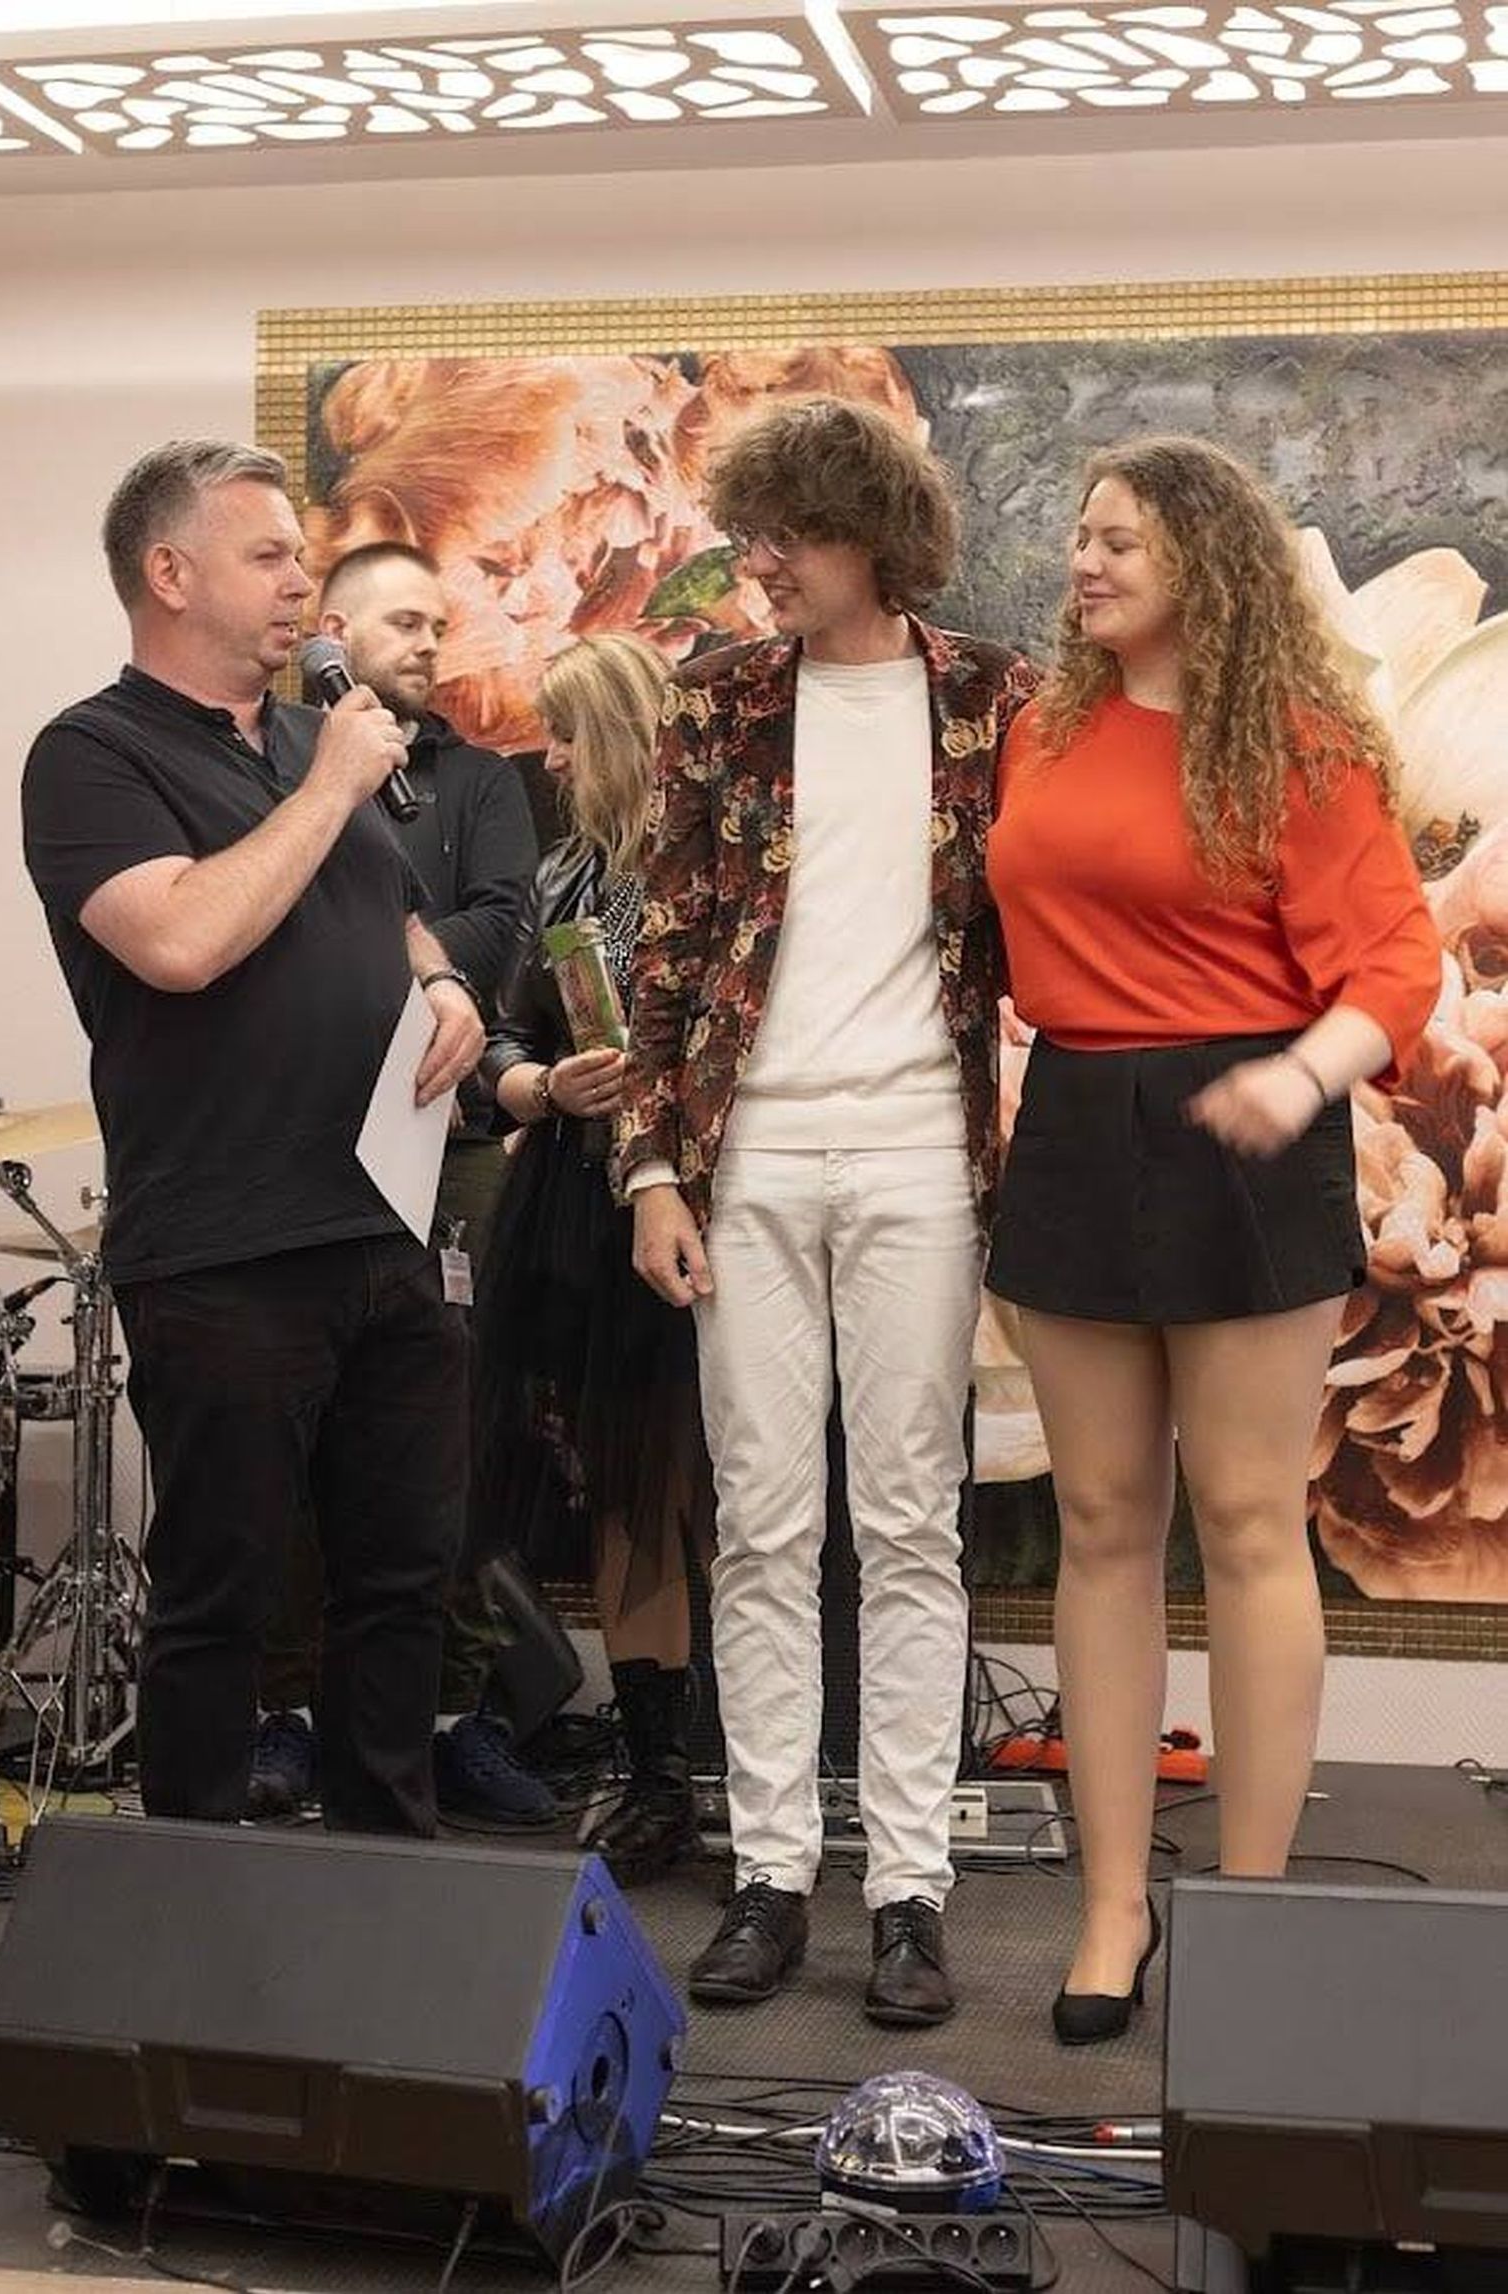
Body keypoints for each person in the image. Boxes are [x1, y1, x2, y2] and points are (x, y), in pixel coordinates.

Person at [984, 434, 1441, 2043]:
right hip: (1074, 1124)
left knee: (1245, 1520)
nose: (1085, 562)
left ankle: (1249, 1910)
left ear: (1205, 559)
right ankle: (1112, 1911)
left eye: (1117, 539)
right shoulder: (1042, 729)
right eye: (1080, 536)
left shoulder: (1298, 745)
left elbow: (1393, 968)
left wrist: (1299, 1076)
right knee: (1102, 1521)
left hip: (1248, 1126)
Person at [618, 397, 1037, 2024]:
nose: (761, 562)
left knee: (912, 1522)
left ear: (871, 532)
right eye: (751, 533)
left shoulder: (992, 696)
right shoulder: (717, 698)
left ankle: (910, 1888)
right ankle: (772, 1871)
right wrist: (651, 1167)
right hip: (751, 1157)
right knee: (764, 1523)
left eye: (786, 533)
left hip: (923, 1149)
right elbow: (665, 949)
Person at [21, 440, 484, 1835]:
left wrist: (444, 983)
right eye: (270, 554)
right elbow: (180, 939)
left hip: (386, 1225)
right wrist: (329, 787)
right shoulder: (91, 754)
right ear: (170, 573)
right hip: (226, 1244)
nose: (303, 585)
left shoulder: (301, 739)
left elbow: (389, 906)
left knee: (402, 1581)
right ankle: (197, 1898)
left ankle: (385, 1878)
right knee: (223, 1595)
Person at [245, 541, 548, 1829]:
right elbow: (242, 914)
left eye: (440, 625)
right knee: (296, 1423)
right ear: (333, 630)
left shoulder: (478, 781)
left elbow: (501, 924)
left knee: (451, 1429)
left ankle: (449, 1715)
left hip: (446, 1132)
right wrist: (391, 947)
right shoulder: (262, 760)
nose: (431, 642)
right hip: (298, 1137)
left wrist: (356, 946)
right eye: (406, 621)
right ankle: (293, 1712)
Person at [477, 633, 709, 1886]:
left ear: (617, 731)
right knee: (628, 1495)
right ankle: (659, 1769)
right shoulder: (562, 873)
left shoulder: (714, 859)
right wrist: (542, 1083)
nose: (551, 759)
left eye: (565, 733)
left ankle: (757, 1764)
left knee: (725, 1493)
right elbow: (506, 1035)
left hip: (712, 1202)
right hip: (581, 1212)